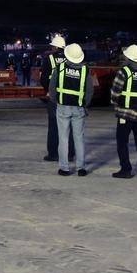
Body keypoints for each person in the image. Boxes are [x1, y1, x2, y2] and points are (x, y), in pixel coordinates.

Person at [50, 43, 92, 176]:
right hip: (79, 108)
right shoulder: (85, 71)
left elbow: (52, 87)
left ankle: (64, 168)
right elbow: (90, 91)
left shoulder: (60, 68)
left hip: (62, 107)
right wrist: (84, 105)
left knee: (63, 138)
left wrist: (56, 100)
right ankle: (81, 168)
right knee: (79, 138)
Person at [110, 44, 137, 179]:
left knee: (122, 142)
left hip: (124, 114)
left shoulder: (123, 72)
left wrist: (116, 104)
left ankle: (126, 170)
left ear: (129, 58)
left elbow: (115, 92)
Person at [37, 34, 69, 162]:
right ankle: (70, 153)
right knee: (68, 126)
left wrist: (47, 91)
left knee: (53, 126)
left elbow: (44, 78)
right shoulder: (69, 59)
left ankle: (53, 154)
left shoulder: (49, 59)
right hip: (68, 97)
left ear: (55, 46)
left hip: (54, 96)